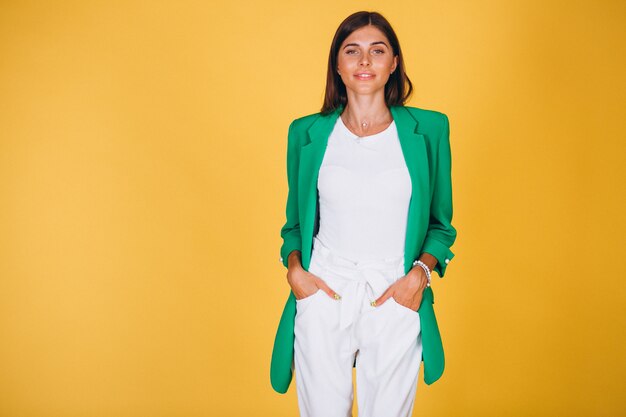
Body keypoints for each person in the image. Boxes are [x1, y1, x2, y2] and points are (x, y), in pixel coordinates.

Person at [270, 10, 457, 417]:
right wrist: (296, 271)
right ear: (338, 65)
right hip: (324, 287)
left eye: (378, 50)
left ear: (394, 63)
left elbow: (441, 227)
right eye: (352, 51)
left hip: (396, 289)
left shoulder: (429, 130)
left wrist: (418, 276)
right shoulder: (306, 132)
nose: (365, 61)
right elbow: (295, 225)